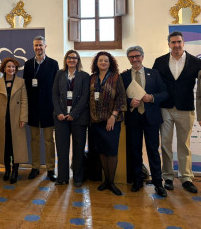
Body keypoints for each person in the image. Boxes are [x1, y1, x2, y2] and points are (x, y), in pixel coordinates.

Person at [153, 31, 201, 193]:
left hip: (186, 108)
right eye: (173, 42)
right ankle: (167, 176)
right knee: (165, 144)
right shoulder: (159, 62)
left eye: (179, 42)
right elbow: (154, 84)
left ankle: (186, 177)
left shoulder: (196, 62)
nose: (176, 45)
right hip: (165, 108)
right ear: (168, 44)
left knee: (184, 145)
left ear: (184, 43)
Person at [121, 46, 168, 197]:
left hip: (151, 118)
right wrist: (129, 102)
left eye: (137, 56)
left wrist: (152, 98)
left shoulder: (154, 73)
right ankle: (137, 180)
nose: (135, 59)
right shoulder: (124, 76)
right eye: (131, 57)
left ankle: (157, 183)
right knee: (135, 150)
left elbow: (165, 93)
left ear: (142, 56)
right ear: (128, 59)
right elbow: (120, 97)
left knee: (153, 151)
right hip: (133, 118)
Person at [89, 51, 126, 196]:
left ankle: (111, 182)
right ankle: (106, 181)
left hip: (111, 121)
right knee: (102, 152)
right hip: (96, 121)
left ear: (110, 63)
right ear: (96, 63)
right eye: (100, 61)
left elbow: (121, 98)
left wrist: (113, 115)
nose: (103, 63)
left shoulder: (116, 77)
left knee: (111, 152)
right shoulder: (92, 78)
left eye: (106, 61)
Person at [23, 36, 59, 181]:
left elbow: (56, 87)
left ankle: (51, 169)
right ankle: (35, 167)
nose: (38, 48)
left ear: (45, 46)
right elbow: (25, 86)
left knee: (49, 140)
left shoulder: (53, 64)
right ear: (33, 47)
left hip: (48, 108)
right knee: (34, 139)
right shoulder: (28, 64)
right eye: (36, 45)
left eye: (41, 45)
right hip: (33, 108)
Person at [52, 50, 89, 187]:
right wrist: (58, 112)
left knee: (78, 149)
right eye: (69, 57)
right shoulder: (59, 74)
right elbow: (54, 94)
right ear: (66, 59)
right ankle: (62, 177)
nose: (72, 60)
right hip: (61, 118)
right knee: (62, 149)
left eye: (74, 58)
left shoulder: (84, 76)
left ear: (78, 60)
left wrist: (73, 113)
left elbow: (85, 97)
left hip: (78, 118)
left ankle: (78, 178)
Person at [0, 57, 28, 184]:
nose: (11, 69)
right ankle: (7, 169)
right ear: (4, 68)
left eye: (13, 67)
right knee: (5, 146)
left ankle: (15, 171)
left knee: (15, 147)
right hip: (2, 120)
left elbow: (24, 101)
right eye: (8, 67)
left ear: (16, 69)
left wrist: (23, 118)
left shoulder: (21, 82)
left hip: (16, 119)